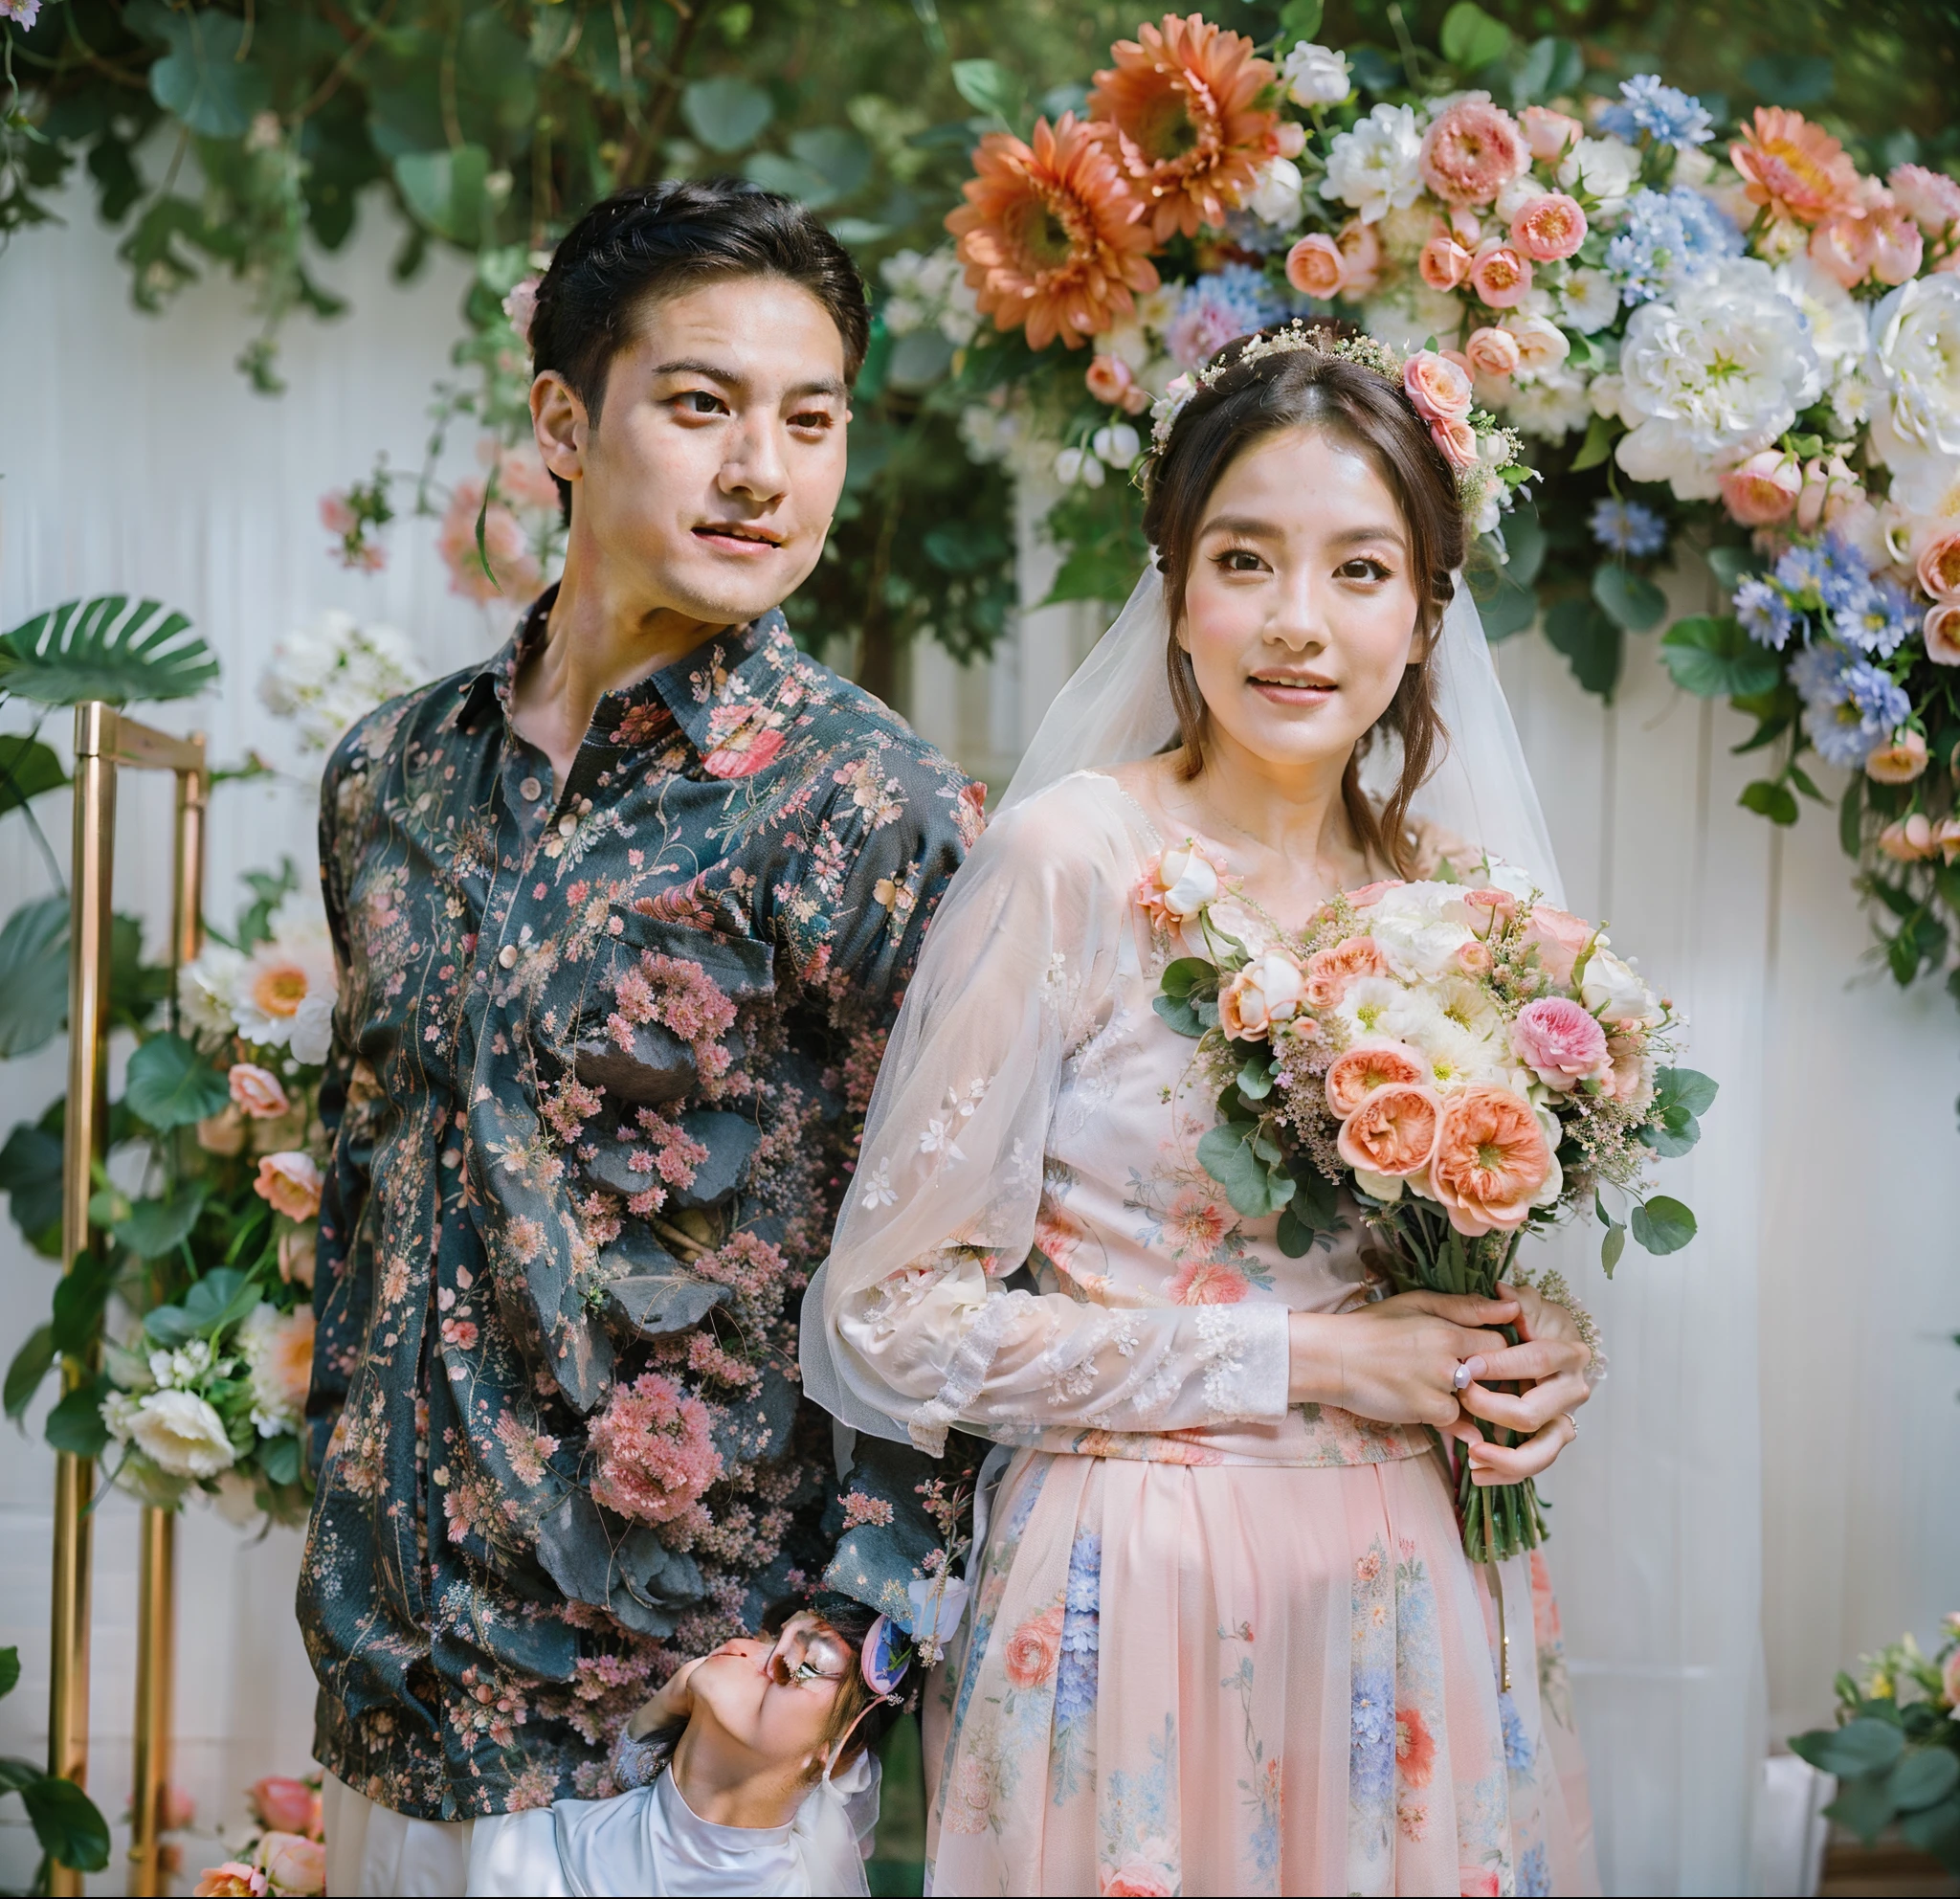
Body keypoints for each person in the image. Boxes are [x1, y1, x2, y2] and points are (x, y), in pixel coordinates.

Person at [803, 324, 1602, 1895]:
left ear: (1425, 611)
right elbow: (884, 1319)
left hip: (1402, 1589)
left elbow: (1445, 1276)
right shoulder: (1070, 862)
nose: (1297, 622)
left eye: (1359, 570)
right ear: (1172, 582)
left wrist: (1531, 1346)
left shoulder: (1470, 908)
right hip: (1132, 1588)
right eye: (1246, 558)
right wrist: (1303, 1355)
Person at [301, 178, 982, 1897]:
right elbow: (365, 1203)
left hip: (678, 1732)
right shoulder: (391, 779)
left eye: (809, 420)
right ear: (562, 418)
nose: (762, 468)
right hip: (403, 1707)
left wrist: (840, 1669)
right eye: (702, 404)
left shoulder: (862, 800)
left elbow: (966, 1252)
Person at [464, 1597, 910, 1896]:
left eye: (807, 1664)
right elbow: (630, 1767)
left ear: (836, 1752)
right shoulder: (506, 1840)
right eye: (772, 1636)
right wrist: (679, 1688)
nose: (750, 1651)